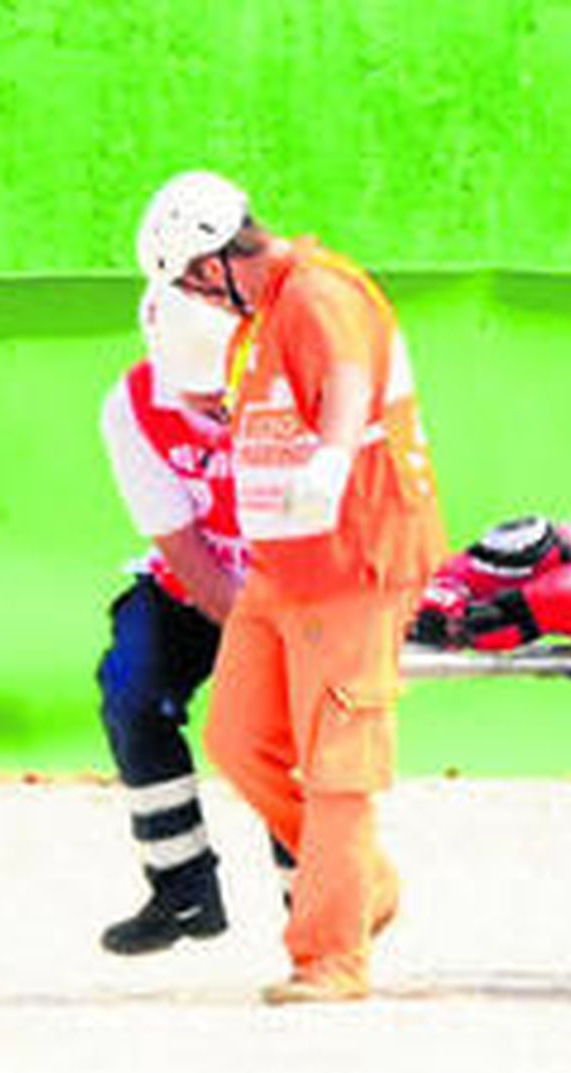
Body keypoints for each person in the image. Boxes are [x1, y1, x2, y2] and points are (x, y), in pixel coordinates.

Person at [137, 170, 447, 1003]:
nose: (200, 296)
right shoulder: (262, 318)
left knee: (338, 761)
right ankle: (363, 882)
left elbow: (347, 381)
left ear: (214, 259)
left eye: (194, 279)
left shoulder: (315, 292)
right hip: (285, 569)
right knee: (239, 737)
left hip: (356, 559)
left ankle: (331, 956)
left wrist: (333, 459)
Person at [96, 283, 276, 954]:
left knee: (283, 733)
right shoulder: (133, 406)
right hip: (192, 589)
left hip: (288, 592)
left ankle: (313, 907)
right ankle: (182, 887)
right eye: (194, 390)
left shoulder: (283, 392)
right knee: (131, 691)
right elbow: (181, 546)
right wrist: (245, 635)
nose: (209, 404)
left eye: (217, 386)